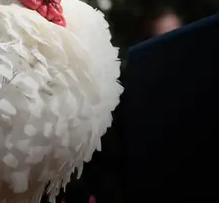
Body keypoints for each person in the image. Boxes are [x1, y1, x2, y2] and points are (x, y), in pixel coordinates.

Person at [62, 12, 219, 203]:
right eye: (160, 39)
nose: (166, 47)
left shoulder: (200, 89)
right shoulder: (127, 93)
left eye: (172, 35)